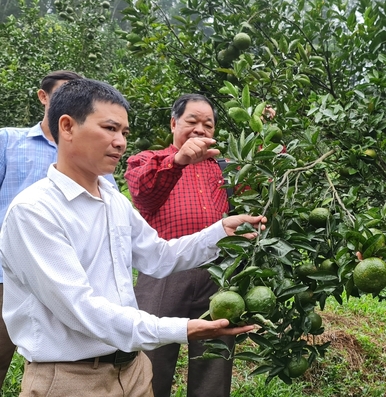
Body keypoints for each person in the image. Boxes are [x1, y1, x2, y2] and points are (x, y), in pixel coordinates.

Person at [0, 79, 264, 396]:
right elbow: (81, 309)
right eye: (110, 129)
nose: (121, 142)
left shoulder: (113, 200)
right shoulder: (34, 212)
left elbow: (159, 256)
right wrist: (181, 328)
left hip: (134, 372)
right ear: (68, 127)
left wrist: (220, 232)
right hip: (72, 379)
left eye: (124, 132)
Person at [0, 70, 119, 386]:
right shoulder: (8, 141)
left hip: (69, 276)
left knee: (58, 361)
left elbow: (112, 212)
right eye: (64, 94)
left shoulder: (95, 154)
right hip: (7, 274)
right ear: (43, 97)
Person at [124, 94, 236, 397]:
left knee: (214, 361)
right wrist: (178, 161)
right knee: (151, 360)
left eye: (208, 124)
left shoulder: (225, 168)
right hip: (164, 273)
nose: (200, 129)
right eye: (192, 121)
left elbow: (265, 180)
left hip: (218, 275)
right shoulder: (149, 160)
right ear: (174, 123)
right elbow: (142, 192)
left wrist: (266, 129)